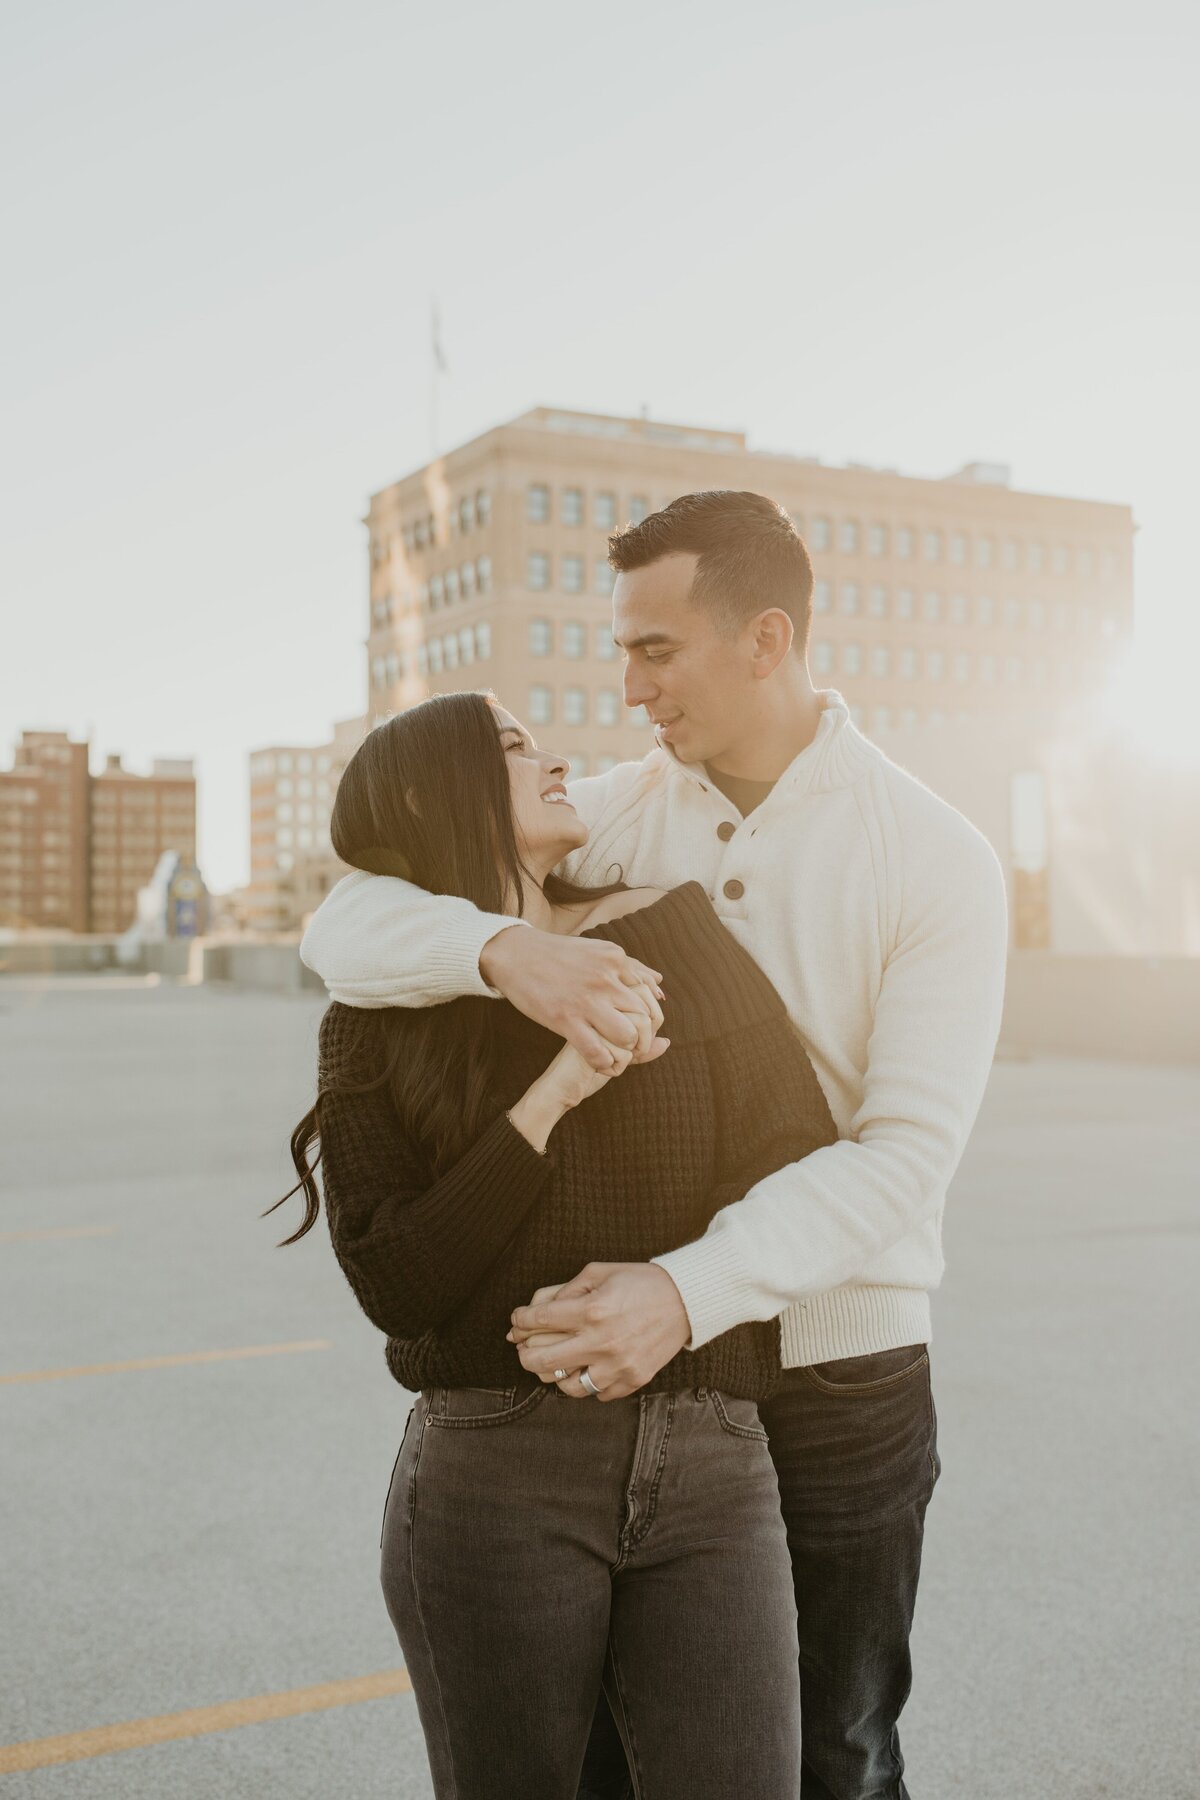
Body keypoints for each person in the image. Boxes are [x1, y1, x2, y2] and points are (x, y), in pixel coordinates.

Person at [299, 490, 1010, 1800]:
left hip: (844, 1371)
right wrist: (502, 951)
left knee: (835, 1753)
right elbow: (345, 927)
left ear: (765, 638)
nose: (624, 688)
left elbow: (903, 1157)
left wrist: (685, 1292)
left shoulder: (936, 859)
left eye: (654, 651)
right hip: (656, 1388)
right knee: (633, 1761)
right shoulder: (621, 811)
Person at [268, 687, 843, 1799]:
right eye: (513, 747)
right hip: (495, 1470)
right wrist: (551, 1097)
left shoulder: (672, 922)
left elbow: (793, 1147)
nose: (552, 756)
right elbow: (396, 1279)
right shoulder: (380, 1012)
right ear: (437, 795)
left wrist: (678, 1291)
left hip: (713, 1451)